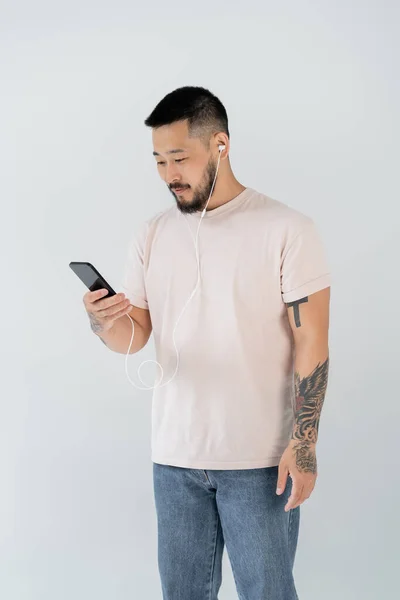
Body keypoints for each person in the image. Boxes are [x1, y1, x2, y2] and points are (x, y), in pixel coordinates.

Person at [83, 86, 331, 600]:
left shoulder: (287, 229)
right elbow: (136, 338)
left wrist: (304, 443)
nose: (169, 174)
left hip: (259, 462)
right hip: (174, 460)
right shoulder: (151, 234)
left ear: (220, 145)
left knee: (267, 592)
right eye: (158, 160)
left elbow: (313, 343)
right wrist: (104, 322)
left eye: (180, 158)